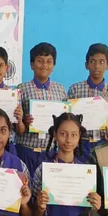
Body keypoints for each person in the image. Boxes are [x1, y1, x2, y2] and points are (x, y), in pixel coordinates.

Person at [15, 42, 68, 177]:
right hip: (26, 150)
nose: (44, 65)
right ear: (32, 65)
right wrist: (24, 121)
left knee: (47, 188)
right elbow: (18, 129)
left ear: (53, 66)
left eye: (49, 61)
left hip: (50, 151)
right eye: (40, 61)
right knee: (24, 186)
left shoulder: (61, 90)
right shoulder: (21, 89)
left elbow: (65, 122)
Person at [67, 43, 108, 156]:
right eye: (92, 61)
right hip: (81, 143)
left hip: (104, 143)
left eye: (102, 62)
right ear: (86, 65)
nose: (97, 66)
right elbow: (68, 118)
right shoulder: (75, 90)